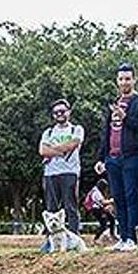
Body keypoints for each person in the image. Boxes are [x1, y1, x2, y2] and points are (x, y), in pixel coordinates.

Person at [94, 63, 138, 251]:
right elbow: (106, 132)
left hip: (132, 156)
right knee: (118, 197)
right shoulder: (113, 104)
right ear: (117, 81)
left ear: (134, 80)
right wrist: (100, 158)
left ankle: (133, 237)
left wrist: (125, 117)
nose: (124, 82)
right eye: (121, 79)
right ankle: (122, 237)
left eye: (128, 78)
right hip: (112, 158)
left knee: (131, 195)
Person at [40, 99, 85, 233]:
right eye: (56, 112)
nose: (59, 114)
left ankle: (73, 235)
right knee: (51, 207)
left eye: (62, 111)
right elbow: (42, 151)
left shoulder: (76, 129)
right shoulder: (48, 132)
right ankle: (51, 237)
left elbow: (73, 144)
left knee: (70, 205)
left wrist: (52, 151)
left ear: (69, 112)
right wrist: (62, 151)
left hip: (70, 171)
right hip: (50, 173)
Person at [85, 179, 117, 244]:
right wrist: (112, 201)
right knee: (104, 224)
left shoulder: (94, 190)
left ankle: (112, 234)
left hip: (98, 208)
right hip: (96, 209)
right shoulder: (96, 192)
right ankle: (96, 239)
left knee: (112, 218)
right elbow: (103, 202)